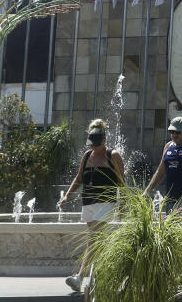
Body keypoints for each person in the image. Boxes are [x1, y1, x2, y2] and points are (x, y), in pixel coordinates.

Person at [60, 119, 125, 292]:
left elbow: (122, 183)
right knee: (98, 241)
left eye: (96, 143)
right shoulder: (87, 155)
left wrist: (123, 204)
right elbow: (79, 177)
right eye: (92, 143)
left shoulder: (114, 155)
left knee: (93, 238)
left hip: (106, 203)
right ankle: (103, 275)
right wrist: (67, 196)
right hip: (88, 202)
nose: (94, 147)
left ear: (103, 140)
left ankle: (79, 277)